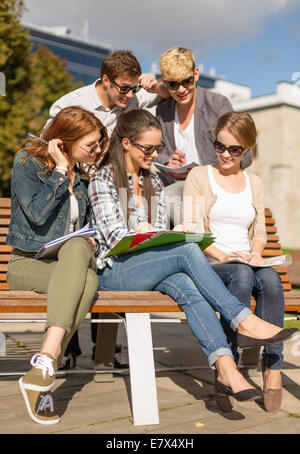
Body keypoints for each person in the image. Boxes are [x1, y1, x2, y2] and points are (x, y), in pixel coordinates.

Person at [88, 108, 296, 411]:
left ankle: (226, 367)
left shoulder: (154, 183)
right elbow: (113, 241)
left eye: (158, 147)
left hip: (148, 267)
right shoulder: (103, 179)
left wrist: (164, 233)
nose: (155, 154)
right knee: (187, 250)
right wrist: (147, 233)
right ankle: (244, 320)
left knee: (187, 284)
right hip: (115, 271)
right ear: (126, 144)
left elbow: (158, 232)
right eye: (149, 148)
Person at [48, 49, 170, 366]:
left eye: (134, 89)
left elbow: (174, 93)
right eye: (123, 88)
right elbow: (51, 147)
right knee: (77, 261)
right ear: (105, 80)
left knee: (113, 258)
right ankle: (67, 351)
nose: (130, 96)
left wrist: (155, 89)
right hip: (79, 187)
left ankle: (107, 350)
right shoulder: (70, 104)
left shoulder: (133, 99)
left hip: (110, 191)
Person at [6, 106, 108, 425]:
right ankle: (49, 364)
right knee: (85, 279)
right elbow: (37, 216)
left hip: (68, 265)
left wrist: (91, 238)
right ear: (64, 141)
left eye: (98, 145)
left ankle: (44, 367)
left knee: (86, 272)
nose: (96, 151)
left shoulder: (84, 181)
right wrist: (60, 172)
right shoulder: (27, 163)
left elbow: (82, 227)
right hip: (26, 264)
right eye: (90, 145)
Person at [183, 111, 288, 413]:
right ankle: (229, 368)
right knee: (242, 274)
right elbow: (191, 229)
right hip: (211, 263)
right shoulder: (199, 176)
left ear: (248, 149)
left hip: (245, 261)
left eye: (234, 149)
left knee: (269, 278)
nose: (226, 154)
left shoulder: (253, 181)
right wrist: (223, 254)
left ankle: (272, 367)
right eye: (220, 146)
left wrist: (256, 251)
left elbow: (259, 232)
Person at [155, 47, 252, 225]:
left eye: (187, 81)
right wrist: (169, 162)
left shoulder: (217, 105)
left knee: (168, 198)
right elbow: (157, 149)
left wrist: (208, 172)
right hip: (180, 188)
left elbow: (246, 155)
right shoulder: (163, 110)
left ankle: (198, 242)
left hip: (214, 187)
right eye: (173, 85)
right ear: (164, 82)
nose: (181, 90)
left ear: (196, 74)